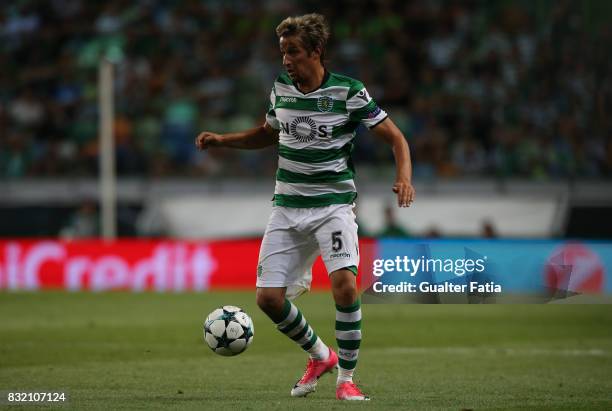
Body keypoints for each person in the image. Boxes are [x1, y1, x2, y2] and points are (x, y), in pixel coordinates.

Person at [195, 13, 414, 401]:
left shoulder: (349, 91)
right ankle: (319, 355)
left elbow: (396, 138)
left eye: (293, 52)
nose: (285, 61)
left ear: (316, 51)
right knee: (268, 299)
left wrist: (404, 178)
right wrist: (223, 140)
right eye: (282, 52)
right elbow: (267, 134)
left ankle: (346, 378)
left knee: (345, 287)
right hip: (287, 206)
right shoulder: (281, 89)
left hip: (332, 207)